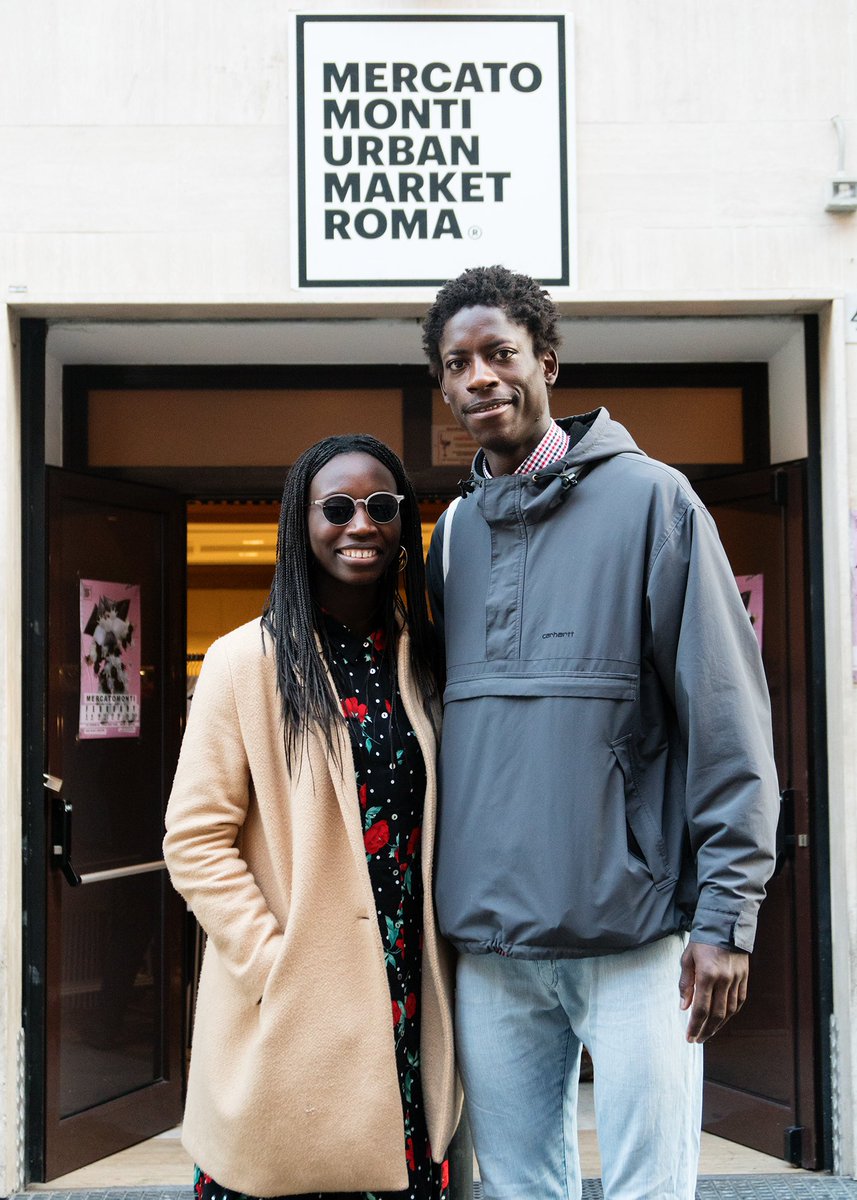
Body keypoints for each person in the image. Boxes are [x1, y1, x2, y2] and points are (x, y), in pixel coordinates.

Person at [422, 265, 780, 1200]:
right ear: (443, 387)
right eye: (457, 363)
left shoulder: (655, 502)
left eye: (500, 353)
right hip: (491, 946)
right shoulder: (451, 536)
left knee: (647, 1189)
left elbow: (726, 720)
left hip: (638, 938)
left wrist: (726, 918)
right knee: (514, 1190)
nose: (480, 378)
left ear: (545, 360)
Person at [163, 434, 459, 1200]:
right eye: (335, 507)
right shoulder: (243, 662)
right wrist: (276, 965)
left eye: (380, 506)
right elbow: (195, 841)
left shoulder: (425, 659)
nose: (359, 524)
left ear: (404, 524)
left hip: (407, 998)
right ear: (301, 523)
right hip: (295, 1000)